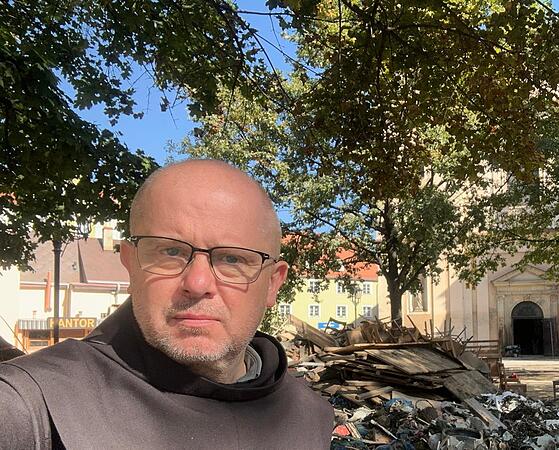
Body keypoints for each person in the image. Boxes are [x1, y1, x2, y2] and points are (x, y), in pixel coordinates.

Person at [0, 160, 334, 449]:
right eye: (170, 252)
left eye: (232, 259)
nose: (197, 284)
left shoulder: (311, 414)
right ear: (131, 265)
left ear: (273, 283)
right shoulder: (32, 406)